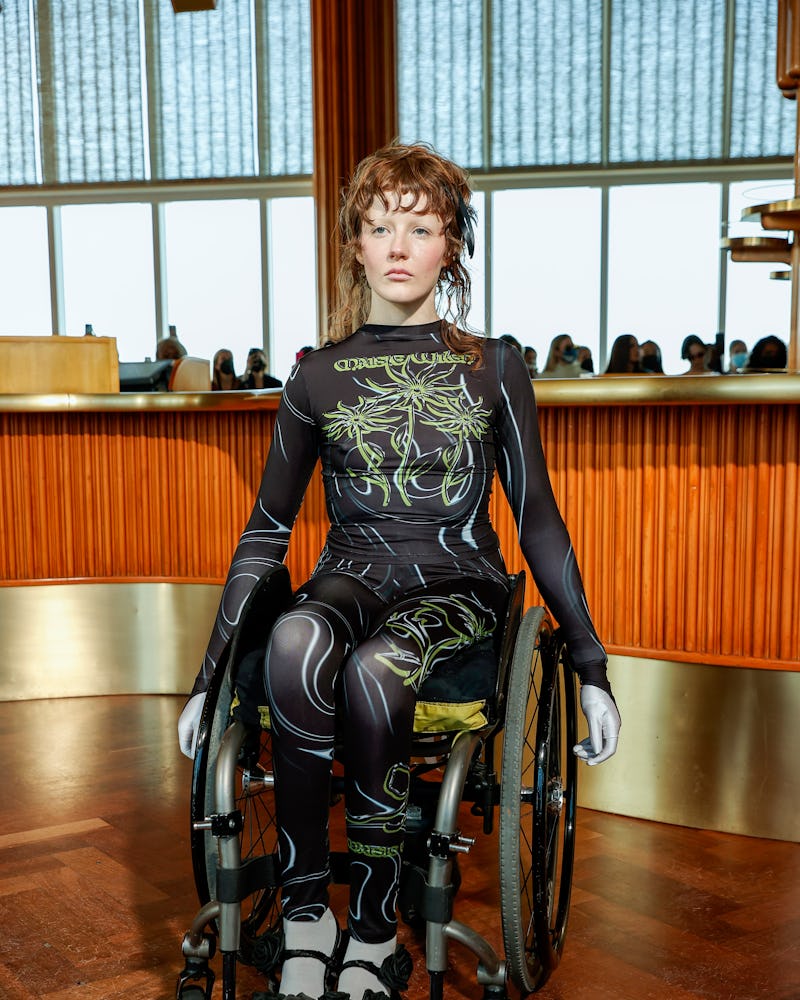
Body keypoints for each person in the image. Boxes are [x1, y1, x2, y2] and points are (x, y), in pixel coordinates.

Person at [177, 143, 620, 1000]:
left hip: (457, 585)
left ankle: (375, 931)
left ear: (450, 243)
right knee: (298, 639)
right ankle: (309, 920)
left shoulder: (494, 365)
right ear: (355, 243)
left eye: (419, 227)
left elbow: (536, 518)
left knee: (380, 667)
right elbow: (267, 530)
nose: (398, 244)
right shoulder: (315, 374)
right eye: (380, 226)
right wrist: (206, 677)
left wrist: (591, 663)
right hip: (351, 572)